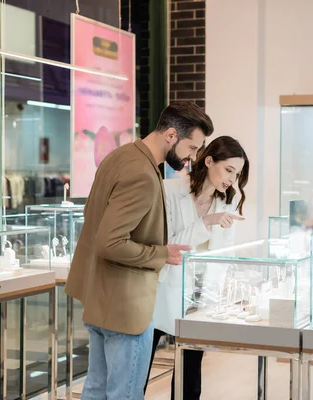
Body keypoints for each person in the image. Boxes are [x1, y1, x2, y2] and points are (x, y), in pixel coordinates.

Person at [65, 102, 214, 400]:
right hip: (126, 307)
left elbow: (94, 219)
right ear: (171, 135)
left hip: (98, 298)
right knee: (125, 394)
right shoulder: (143, 174)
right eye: (192, 147)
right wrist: (161, 254)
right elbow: (111, 241)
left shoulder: (118, 157)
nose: (192, 157)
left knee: (95, 389)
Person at [144, 136, 250, 399]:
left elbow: (223, 256)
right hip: (161, 292)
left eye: (236, 174)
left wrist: (228, 295)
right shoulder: (169, 191)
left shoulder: (227, 202)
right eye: (228, 170)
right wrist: (207, 221)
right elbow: (169, 246)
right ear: (209, 160)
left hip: (199, 301)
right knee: (139, 374)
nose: (231, 180)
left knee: (189, 381)